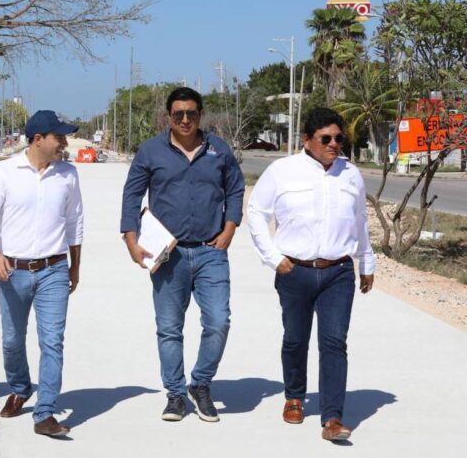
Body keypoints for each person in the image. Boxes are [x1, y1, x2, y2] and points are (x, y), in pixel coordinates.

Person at [247, 107, 375, 442]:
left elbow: (360, 220)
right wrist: (273, 257)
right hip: (295, 271)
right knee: (295, 338)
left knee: (334, 342)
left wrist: (367, 262)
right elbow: (256, 212)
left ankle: (332, 418)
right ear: (306, 140)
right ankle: (294, 396)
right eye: (326, 138)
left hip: (338, 272)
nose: (334, 144)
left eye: (338, 138)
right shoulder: (281, 171)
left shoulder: (351, 174)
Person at [120, 87, 245, 423]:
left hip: (210, 252)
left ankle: (200, 384)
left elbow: (235, 188)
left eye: (191, 113)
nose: (185, 119)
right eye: (178, 114)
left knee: (218, 321)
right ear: (168, 116)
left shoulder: (219, 149)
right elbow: (131, 196)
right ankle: (175, 393)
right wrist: (131, 241)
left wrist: (229, 229)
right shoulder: (150, 151)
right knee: (169, 328)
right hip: (168, 256)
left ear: (200, 115)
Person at [0, 110, 83, 438]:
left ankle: (45, 412)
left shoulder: (68, 174)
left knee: (52, 341)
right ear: (39, 139)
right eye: (59, 137)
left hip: (54, 269)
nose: (64, 143)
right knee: (12, 340)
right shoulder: (5, 172)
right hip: (13, 271)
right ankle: (21, 387)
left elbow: (75, 222)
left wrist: (75, 267)